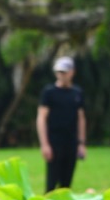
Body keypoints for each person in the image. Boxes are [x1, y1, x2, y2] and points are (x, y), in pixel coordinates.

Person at [37, 56, 87, 192]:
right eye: (59, 72)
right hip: (54, 142)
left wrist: (81, 143)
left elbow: (81, 118)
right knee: (51, 184)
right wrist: (44, 144)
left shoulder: (77, 93)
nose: (61, 75)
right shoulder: (49, 93)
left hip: (71, 142)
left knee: (66, 185)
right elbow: (41, 118)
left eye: (64, 72)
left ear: (72, 72)